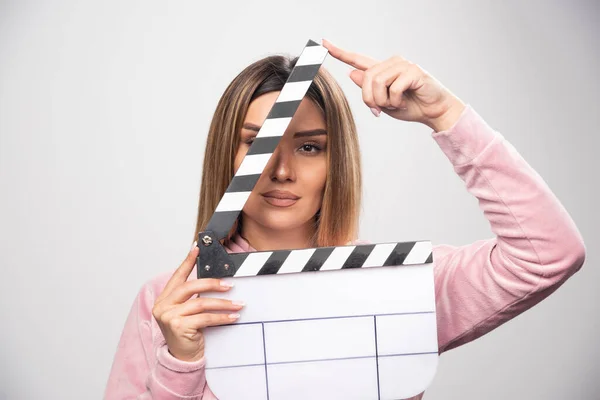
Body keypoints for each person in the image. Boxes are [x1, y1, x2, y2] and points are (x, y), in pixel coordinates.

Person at [104, 39, 586, 400]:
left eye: (310, 146)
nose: (282, 170)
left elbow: (547, 255)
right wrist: (180, 365)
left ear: (338, 162)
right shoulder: (169, 302)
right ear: (223, 156)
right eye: (257, 144)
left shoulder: (398, 285)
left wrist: (444, 114)